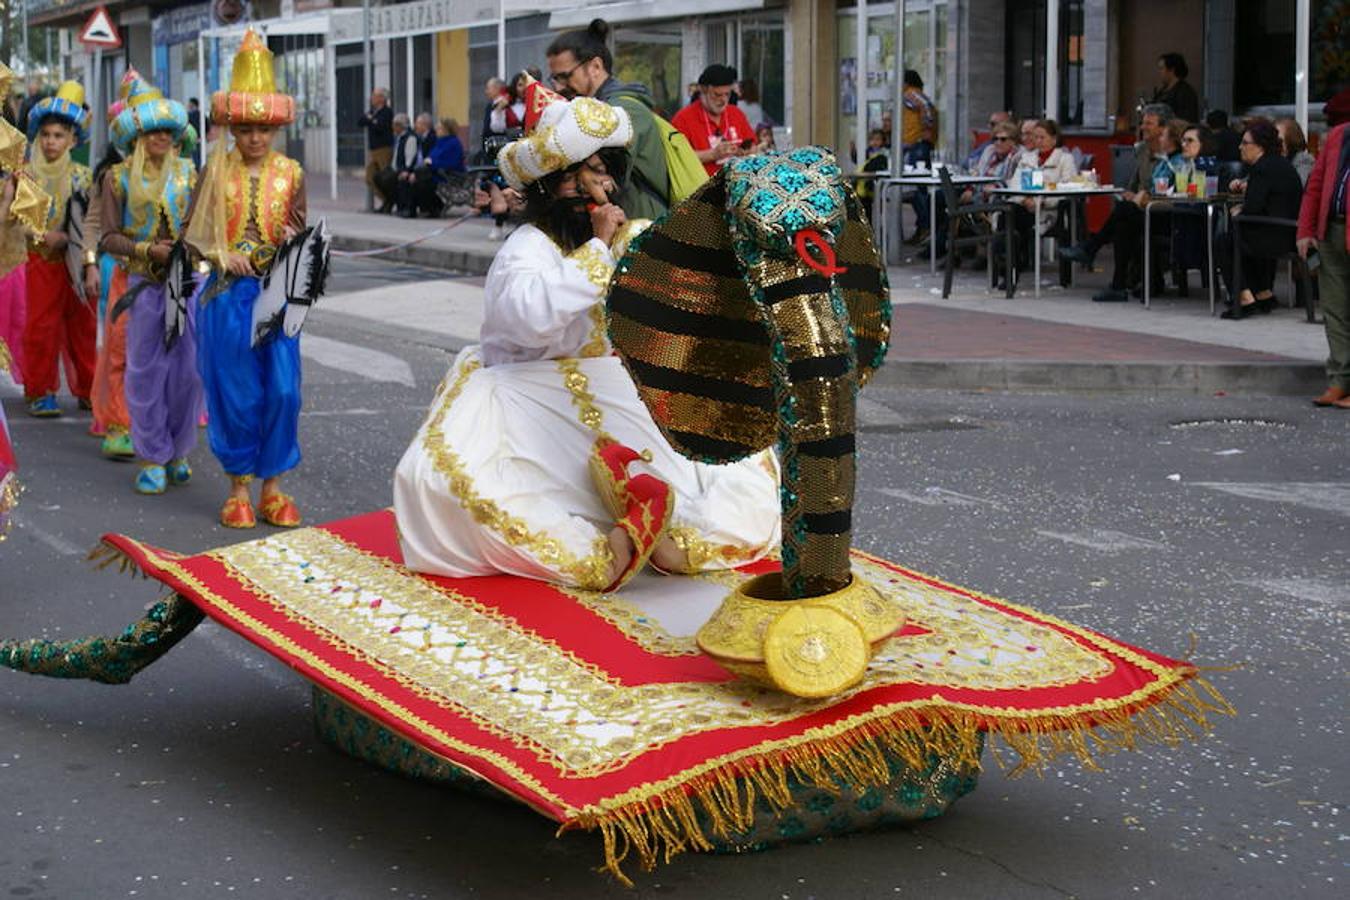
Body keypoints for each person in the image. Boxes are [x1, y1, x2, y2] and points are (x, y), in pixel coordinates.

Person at [396, 81, 779, 591]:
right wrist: (598, 249)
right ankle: (600, 553)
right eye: (577, 178)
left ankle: (677, 540)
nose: (593, 189)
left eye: (600, 175)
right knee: (440, 486)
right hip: (524, 401)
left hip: (615, 390)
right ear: (549, 187)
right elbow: (529, 320)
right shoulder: (527, 248)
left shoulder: (629, 237)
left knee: (736, 454)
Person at [184, 29, 308, 528]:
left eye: (264, 129)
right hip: (227, 295)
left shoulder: (291, 173)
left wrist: (295, 251)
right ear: (232, 128)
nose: (255, 137)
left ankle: (273, 485)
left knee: (284, 390)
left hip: (277, 297)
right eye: (245, 128)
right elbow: (192, 238)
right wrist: (221, 252)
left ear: (276, 129)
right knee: (236, 391)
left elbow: (302, 230)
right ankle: (238, 485)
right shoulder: (214, 172)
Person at [99, 77, 202, 495]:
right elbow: (107, 237)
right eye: (151, 130)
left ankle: (178, 451)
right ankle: (151, 454)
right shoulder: (117, 178)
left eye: (167, 131)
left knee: (188, 372)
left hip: (186, 283)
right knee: (145, 371)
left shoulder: (190, 174)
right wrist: (146, 250)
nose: (160, 137)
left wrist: (186, 251)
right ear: (137, 135)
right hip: (142, 284)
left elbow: (203, 228)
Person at [547, 18, 682, 221]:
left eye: (565, 76)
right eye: (555, 79)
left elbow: (602, 169)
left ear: (595, 66)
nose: (558, 87)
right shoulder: (597, 108)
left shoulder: (626, 110)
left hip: (647, 231)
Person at [21, 81, 96, 418]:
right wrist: (41, 235)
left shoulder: (83, 176)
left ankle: (89, 388)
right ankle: (41, 390)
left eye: (59, 136)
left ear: (73, 140)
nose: (52, 142)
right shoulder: (29, 176)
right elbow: (20, 217)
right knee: (41, 327)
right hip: (42, 260)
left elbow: (91, 219)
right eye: (47, 135)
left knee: (84, 325)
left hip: (76, 262)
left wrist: (73, 243)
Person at [1060, 119, 1183, 302]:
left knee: (1124, 213)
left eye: (1163, 135)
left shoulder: (1179, 163)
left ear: (1173, 139)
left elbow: (1170, 193)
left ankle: (1092, 249)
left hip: (1167, 216)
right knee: (1122, 226)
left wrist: (1140, 198)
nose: (1159, 139)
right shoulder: (1162, 161)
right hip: (1148, 211)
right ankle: (1118, 284)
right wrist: (1134, 195)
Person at [1215, 120, 1304, 319]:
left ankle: (1244, 299)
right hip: (1288, 232)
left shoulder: (1262, 168)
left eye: (1245, 143)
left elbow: (1253, 207)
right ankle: (1264, 294)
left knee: (1225, 241)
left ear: (1260, 146)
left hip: (1276, 235)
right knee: (1241, 235)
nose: (1240, 147)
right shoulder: (1279, 164)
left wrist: (1239, 210)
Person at [1298, 89, 1350, 407]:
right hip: (1330, 231)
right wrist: (1305, 230)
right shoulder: (1338, 136)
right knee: (1335, 310)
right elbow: (1315, 184)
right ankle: (1340, 379)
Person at [1008, 118, 1078, 276]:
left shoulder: (1065, 160)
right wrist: (1024, 200)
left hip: (1049, 211)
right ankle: (1010, 265)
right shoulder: (1027, 158)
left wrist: (1042, 201)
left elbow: (1067, 187)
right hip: (1025, 207)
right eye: (1035, 137)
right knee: (1008, 214)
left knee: (1015, 221)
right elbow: (1014, 185)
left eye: (1042, 137)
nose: (1038, 141)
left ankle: (1014, 265)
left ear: (1054, 139)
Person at [671, 64, 754, 176]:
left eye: (727, 94)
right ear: (703, 90)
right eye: (717, 95)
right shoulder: (683, 119)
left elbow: (752, 145)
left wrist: (748, 151)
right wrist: (712, 154)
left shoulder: (736, 113)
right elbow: (676, 158)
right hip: (702, 188)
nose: (723, 100)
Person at [410, 117, 466, 218]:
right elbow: (431, 157)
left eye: (439, 128)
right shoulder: (439, 142)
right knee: (415, 177)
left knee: (423, 180)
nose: (436, 129)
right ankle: (414, 209)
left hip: (450, 176)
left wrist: (432, 163)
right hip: (437, 173)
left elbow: (452, 163)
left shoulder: (454, 143)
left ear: (446, 130)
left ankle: (431, 209)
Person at [358, 88, 393, 208]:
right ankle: (386, 199)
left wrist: (371, 120)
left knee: (385, 177)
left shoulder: (387, 112)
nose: (372, 98)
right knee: (370, 176)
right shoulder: (374, 112)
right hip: (373, 149)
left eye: (375, 96)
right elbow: (361, 121)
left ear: (382, 99)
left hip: (384, 148)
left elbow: (381, 127)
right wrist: (372, 120)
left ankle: (390, 201)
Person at [396, 113, 435, 218]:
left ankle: (412, 210)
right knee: (403, 178)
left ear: (425, 125)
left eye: (417, 123)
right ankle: (406, 209)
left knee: (414, 180)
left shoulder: (431, 138)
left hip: (428, 172)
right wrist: (408, 171)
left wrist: (414, 173)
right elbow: (416, 157)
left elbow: (429, 159)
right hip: (419, 169)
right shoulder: (420, 137)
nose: (415, 126)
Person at [372, 112, 412, 214]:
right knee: (377, 177)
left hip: (402, 169)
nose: (392, 127)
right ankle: (389, 201)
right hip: (394, 167)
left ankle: (393, 202)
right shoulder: (398, 137)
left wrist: (405, 170)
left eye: (394, 125)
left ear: (400, 126)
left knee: (387, 180)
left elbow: (410, 157)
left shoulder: (409, 138)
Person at [1151, 53, 1199, 124]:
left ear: (1171, 70)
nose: (1159, 72)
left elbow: (1187, 120)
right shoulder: (1162, 91)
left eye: (1161, 68)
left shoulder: (1185, 92)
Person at [1276, 117, 1316, 186]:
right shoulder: (1274, 159)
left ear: (1291, 139)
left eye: (1279, 140)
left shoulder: (1304, 160)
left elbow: (1297, 186)